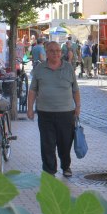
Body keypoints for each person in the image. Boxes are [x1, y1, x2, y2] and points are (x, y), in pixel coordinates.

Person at [26, 41, 81, 177]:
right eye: (52, 51)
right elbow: (33, 90)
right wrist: (30, 108)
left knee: (65, 143)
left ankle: (66, 166)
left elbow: (75, 90)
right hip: (45, 112)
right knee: (47, 143)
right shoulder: (39, 69)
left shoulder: (68, 68)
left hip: (66, 113)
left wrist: (78, 106)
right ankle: (49, 170)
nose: (55, 53)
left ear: (61, 53)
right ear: (46, 52)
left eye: (58, 51)